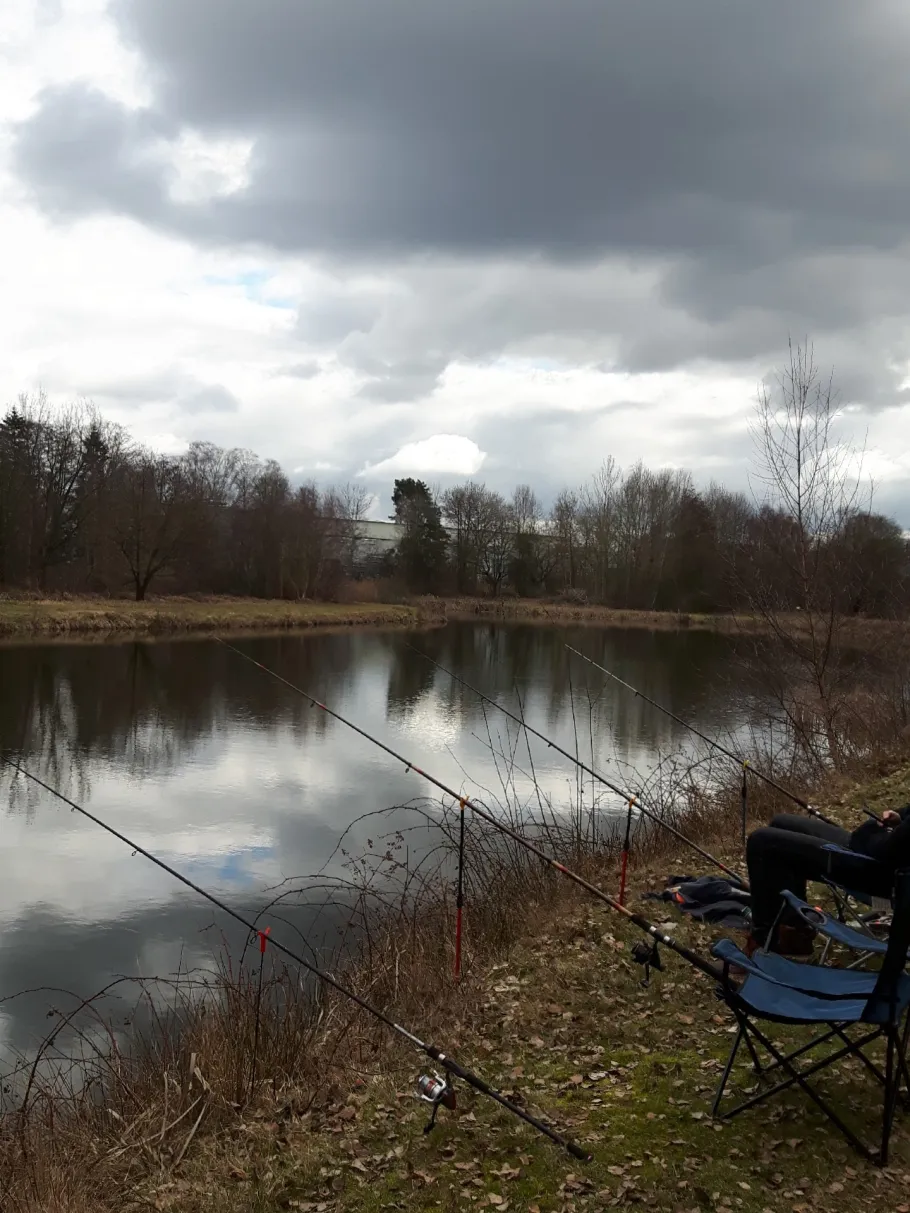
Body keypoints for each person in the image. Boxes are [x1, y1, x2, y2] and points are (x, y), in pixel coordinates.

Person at [745, 806, 910, 956]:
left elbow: (887, 850)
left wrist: (871, 829)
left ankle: (763, 944)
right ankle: (795, 930)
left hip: (880, 876)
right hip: (873, 852)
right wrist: (899, 817)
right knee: (781, 823)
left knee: (761, 842)